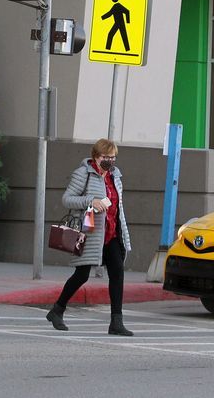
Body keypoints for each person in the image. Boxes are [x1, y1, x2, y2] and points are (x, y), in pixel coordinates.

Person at [46, 138, 133, 336]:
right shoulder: (84, 174)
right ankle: (57, 310)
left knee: (117, 273)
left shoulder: (115, 177)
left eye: (113, 157)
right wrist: (91, 201)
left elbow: (119, 209)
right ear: (96, 156)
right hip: (90, 234)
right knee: (82, 275)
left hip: (112, 233)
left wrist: (123, 234)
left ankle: (116, 322)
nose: (110, 161)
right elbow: (67, 199)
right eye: (106, 157)